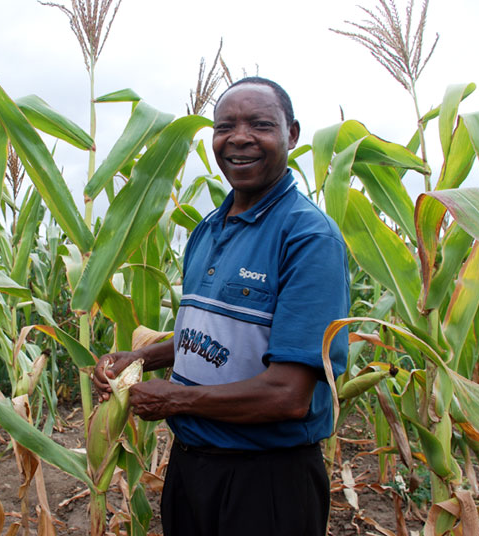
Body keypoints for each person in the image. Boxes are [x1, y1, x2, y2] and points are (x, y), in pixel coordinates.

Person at [93, 77, 350, 536]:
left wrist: (178, 399)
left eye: (260, 125)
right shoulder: (208, 228)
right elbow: (208, 336)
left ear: (291, 135)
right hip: (191, 470)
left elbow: (289, 395)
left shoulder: (307, 237)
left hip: (266, 480)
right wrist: (141, 358)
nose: (240, 137)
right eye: (225, 126)